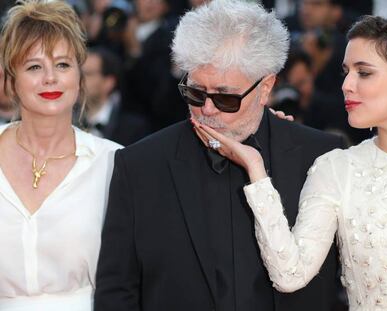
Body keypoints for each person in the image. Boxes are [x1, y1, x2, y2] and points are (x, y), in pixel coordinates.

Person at [94, 1, 344, 310]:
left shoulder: (322, 158)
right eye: (195, 93)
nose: (207, 109)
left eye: (226, 97)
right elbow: (117, 291)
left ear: (265, 88)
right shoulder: (140, 166)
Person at [192, 15, 387, 310]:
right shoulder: (337, 169)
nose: (347, 85)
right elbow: (289, 274)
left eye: (364, 73)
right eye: (346, 72)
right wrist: (256, 170)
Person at [0, 1, 121, 310]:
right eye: (34, 66)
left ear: (79, 78)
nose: (50, 78)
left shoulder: (114, 163)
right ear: (11, 81)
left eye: (63, 64)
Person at [82, 47, 151, 145]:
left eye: (87, 74)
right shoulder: (66, 121)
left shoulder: (133, 128)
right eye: (78, 73)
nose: (79, 80)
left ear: (108, 83)